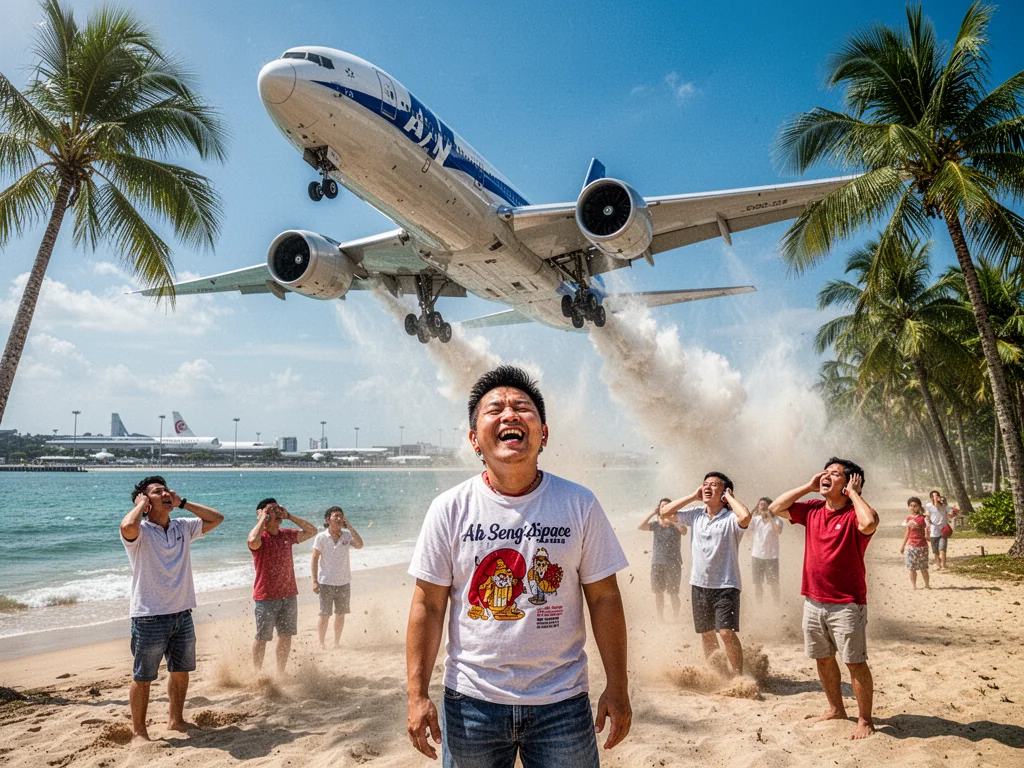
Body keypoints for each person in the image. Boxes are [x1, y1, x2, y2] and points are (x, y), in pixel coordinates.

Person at [406, 365, 631, 766]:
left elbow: (604, 599)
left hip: (562, 702)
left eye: (522, 407)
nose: (510, 414)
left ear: (544, 433)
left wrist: (618, 685)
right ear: (475, 440)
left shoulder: (580, 503)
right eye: (495, 409)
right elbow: (429, 605)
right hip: (471, 703)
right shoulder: (449, 508)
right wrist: (416, 694)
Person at [770, 457, 879, 740]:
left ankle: (865, 720)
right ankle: (836, 709)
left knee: (854, 662)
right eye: (825, 472)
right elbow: (775, 507)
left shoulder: (856, 514)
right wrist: (808, 486)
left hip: (847, 603)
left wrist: (854, 494)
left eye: (835, 474)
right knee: (823, 658)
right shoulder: (813, 509)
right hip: (813, 600)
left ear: (849, 482)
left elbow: (869, 524)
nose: (826, 476)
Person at [120, 475, 224, 745]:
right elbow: (127, 526)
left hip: (182, 613)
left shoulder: (182, 527)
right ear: (144, 501)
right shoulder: (140, 531)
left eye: (166, 490)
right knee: (143, 677)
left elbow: (217, 519)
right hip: (149, 615)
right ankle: (139, 733)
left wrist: (184, 503)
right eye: (157, 492)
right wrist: (140, 505)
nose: (165, 493)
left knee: (181, 671)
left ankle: (176, 720)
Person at [660, 472, 751, 676]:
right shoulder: (696, 514)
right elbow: (665, 513)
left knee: (726, 633)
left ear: (725, 492)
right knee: (707, 633)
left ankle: (738, 677)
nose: (707, 487)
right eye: (705, 484)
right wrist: (693, 496)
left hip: (727, 584)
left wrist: (729, 498)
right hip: (699, 584)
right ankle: (717, 675)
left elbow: (746, 517)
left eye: (714, 485)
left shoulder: (731, 518)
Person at [247, 498, 318, 674]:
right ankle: (257, 673)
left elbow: (312, 531)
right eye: (273, 509)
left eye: (279, 509)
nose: (277, 512)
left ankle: (280, 671)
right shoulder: (261, 537)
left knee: (286, 636)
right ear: (262, 513)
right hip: (266, 597)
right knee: (262, 637)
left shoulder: (286, 534)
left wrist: (290, 516)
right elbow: (252, 541)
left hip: (289, 594)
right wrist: (263, 518)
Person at [311, 506, 364, 648]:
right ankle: (322, 643)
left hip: (344, 581)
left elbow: (359, 545)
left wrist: (350, 526)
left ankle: (336, 642)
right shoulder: (321, 537)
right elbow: (315, 559)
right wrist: (315, 581)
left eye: (341, 516)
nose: (339, 519)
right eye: (336, 516)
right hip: (326, 582)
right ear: (328, 520)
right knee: (324, 614)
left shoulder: (347, 535)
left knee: (341, 614)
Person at [637, 498, 687, 621]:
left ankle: (675, 617)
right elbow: (640, 526)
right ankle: (660, 617)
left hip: (673, 562)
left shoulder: (677, 522)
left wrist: (672, 519)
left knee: (673, 593)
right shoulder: (655, 524)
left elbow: (684, 531)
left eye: (667, 506)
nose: (664, 508)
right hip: (657, 562)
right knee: (658, 592)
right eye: (662, 506)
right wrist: (653, 514)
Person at [749, 497, 783, 606]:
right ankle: (759, 605)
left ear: (769, 507)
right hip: (757, 556)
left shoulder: (777, 520)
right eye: (760, 505)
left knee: (774, 584)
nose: (762, 507)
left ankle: (776, 604)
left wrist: (769, 516)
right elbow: (744, 519)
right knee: (757, 584)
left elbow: (778, 531)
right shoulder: (756, 519)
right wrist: (755, 506)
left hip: (771, 557)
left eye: (764, 504)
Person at [901, 497, 930, 589]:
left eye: (915, 505)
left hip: (922, 546)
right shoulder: (908, 519)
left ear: (919, 506)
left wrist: (928, 536)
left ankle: (927, 585)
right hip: (911, 546)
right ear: (909, 507)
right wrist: (903, 545)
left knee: (923, 568)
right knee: (911, 567)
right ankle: (914, 586)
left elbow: (928, 529)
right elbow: (907, 532)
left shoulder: (923, 518)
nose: (913, 507)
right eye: (911, 506)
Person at [924, 490, 953, 569]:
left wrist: (944, 503)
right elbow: (926, 518)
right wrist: (927, 530)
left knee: (942, 548)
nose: (936, 497)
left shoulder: (944, 506)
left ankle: (943, 565)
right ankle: (938, 564)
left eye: (937, 496)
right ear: (931, 498)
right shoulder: (929, 506)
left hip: (943, 530)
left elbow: (952, 511)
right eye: (934, 496)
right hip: (933, 531)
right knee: (935, 550)